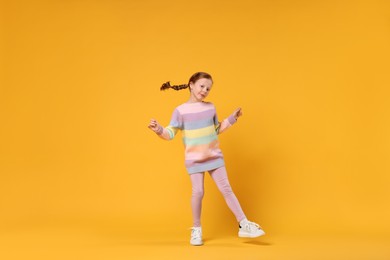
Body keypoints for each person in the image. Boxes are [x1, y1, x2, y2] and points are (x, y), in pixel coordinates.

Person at [148, 72, 265, 246]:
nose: (205, 90)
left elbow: (216, 129)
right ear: (191, 85)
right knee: (198, 192)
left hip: (214, 156)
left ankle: (244, 224)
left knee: (227, 189)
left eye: (208, 88)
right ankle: (196, 229)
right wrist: (158, 129)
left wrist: (232, 118)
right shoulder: (180, 110)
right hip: (194, 159)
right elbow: (170, 133)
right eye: (202, 86)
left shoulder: (210, 107)